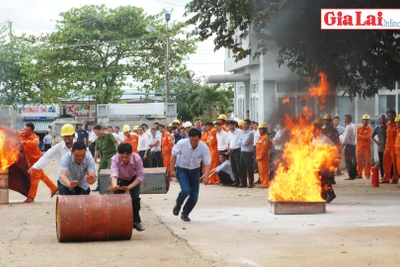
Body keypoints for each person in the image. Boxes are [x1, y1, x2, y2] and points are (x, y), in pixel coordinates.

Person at [170, 128, 211, 222]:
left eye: (196, 140)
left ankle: (185, 213)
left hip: (195, 171)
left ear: (199, 139)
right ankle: (178, 203)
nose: (193, 142)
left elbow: (207, 162)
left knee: (194, 196)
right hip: (182, 170)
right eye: (191, 140)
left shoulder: (204, 147)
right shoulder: (181, 143)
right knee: (186, 190)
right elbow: (173, 155)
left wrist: (206, 176)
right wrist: (171, 169)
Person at [109, 143, 145, 231]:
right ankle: (117, 221)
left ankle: (136, 222)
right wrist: (115, 185)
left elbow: (140, 176)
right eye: (121, 157)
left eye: (126, 157)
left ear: (131, 154)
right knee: (116, 200)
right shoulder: (114, 159)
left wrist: (129, 187)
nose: (124, 159)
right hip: (120, 179)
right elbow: (114, 173)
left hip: (133, 179)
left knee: (135, 198)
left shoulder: (137, 158)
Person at [19, 123, 58, 203]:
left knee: (34, 179)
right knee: (42, 176)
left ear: (32, 131)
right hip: (29, 161)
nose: (25, 131)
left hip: (38, 161)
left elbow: (35, 143)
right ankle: (54, 188)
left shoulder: (35, 138)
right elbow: (14, 133)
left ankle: (31, 197)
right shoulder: (22, 134)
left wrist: (25, 142)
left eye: (27, 130)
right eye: (24, 129)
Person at [312, 118, 338, 203]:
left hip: (327, 162)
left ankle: (331, 194)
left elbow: (332, 151)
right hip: (317, 162)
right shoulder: (314, 139)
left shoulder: (324, 139)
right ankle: (324, 195)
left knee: (324, 180)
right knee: (318, 180)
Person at [93, 124, 118, 191]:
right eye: (94, 132)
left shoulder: (109, 135)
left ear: (100, 130)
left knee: (110, 169)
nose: (95, 133)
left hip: (112, 155)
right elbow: (97, 150)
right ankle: (99, 185)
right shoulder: (98, 140)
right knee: (100, 170)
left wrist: (117, 153)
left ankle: (112, 185)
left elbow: (115, 143)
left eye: (96, 131)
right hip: (104, 156)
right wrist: (95, 158)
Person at [382, 109, 399, 184]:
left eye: (392, 115)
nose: (390, 117)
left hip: (394, 147)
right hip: (387, 147)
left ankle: (395, 178)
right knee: (386, 163)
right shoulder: (387, 125)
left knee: (395, 164)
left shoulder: (397, 125)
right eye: (389, 116)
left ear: (395, 116)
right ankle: (386, 178)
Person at [239, 119, 255, 188]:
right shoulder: (242, 132)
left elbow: (245, 142)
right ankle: (243, 183)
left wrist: (241, 142)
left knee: (249, 168)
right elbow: (239, 142)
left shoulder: (250, 133)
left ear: (249, 125)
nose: (243, 125)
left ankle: (251, 182)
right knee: (242, 167)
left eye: (245, 124)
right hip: (242, 152)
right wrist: (242, 142)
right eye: (243, 124)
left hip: (248, 153)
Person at [356, 114, 373, 179]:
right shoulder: (358, 128)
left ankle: (367, 174)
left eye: (367, 120)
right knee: (359, 161)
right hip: (360, 147)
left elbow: (368, 137)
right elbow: (356, 136)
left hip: (367, 147)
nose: (366, 121)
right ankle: (359, 174)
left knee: (368, 161)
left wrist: (361, 136)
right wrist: (363, 137)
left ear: (369, 121)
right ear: (362, 121)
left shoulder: (370, 129)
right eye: (364, 120)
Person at [342, 114, 358, 180]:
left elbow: (345, 139)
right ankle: (355, 174)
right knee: (353, 160)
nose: (344, 120)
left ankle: (351, 175)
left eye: (346, 119)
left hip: (349, 146)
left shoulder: (348, 127)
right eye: (344, 119)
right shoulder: (353, 126)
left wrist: (341, 147)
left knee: (348, 161)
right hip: (353, 145)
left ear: (349, 120)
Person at [227, 120, 242, 187]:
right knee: (233, 167)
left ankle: (242, 181)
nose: (231, 127)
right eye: (229, 126)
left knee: (239, 167)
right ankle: (236, 181)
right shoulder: (229, 133)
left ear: (235, 125)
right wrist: (228, 150)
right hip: (232, 151)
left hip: (238, 151)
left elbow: (242, 141)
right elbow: (229, 143)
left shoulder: (239, 132)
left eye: (232, 125)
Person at [255, 122, 270, 188]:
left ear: (264, 130)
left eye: (261, 129)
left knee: (264, 171)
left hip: (263, 158)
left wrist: (260, 156)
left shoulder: (265, 138)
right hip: (259, 158)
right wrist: (257, 157)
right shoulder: (260, 137)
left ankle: (265, 183)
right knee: (260, 171)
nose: (260, 130)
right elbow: (258, 148)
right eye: (259, 129)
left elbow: (264, 149)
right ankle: (262, 182)